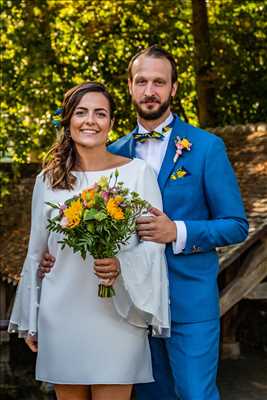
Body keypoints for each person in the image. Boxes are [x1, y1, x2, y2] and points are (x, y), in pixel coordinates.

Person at [40, 46, 249, 400]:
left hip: (188, 305)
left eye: (159, 82)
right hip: (129, 308)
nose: (150, 90)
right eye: (142, 81)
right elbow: (84, 220)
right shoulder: (113, 153)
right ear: (130, 86)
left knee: (196, 395)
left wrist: (178, 231)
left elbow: (235, 225)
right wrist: (55, 255)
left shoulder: (206, 147)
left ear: (174, 89)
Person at [8, 82, 170, 400]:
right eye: (81, 113)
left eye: (100, 113)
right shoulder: (49, 180)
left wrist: (121, 264)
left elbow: (154, 243)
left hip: (118, 314)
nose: (90, 121)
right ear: (68, 121)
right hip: (62, 312)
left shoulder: (138, 174)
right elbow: (35, 251)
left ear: (111, 122)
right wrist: (31, 318)